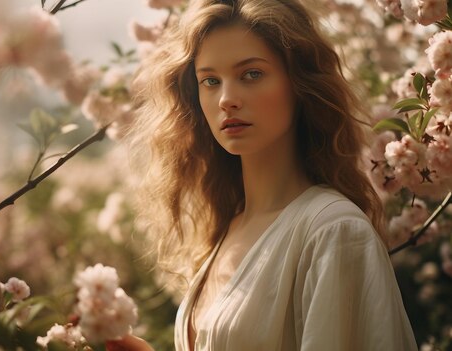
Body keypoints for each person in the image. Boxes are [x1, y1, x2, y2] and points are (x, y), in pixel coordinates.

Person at [109, 0, 418, 349]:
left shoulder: (333, 232)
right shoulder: (229, 227)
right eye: (210, 80)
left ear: (299, 84)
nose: (227, 99)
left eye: (251, 74)